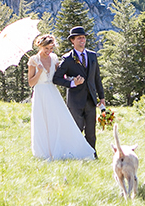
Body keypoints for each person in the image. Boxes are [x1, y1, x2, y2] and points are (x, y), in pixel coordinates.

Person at [27, 33, 95, 161]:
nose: (49, 51)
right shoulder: (33, 61)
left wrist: (73, 80)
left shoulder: (54, 58)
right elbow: (31, 83)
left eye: (51, 49)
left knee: (59, 120)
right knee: (42, 122)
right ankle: (44, 152)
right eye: (46, 48)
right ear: (40, 46)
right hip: (40, 93)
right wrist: (39, 71)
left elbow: (60, 77)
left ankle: (64, 148)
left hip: (53, 93)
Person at [53, 26, 105, 156]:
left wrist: (102, 97)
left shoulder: (92, 56)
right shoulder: (68, 59)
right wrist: (72, 83)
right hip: (75, 101)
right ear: (72, 41)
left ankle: (92, 155)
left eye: (83, 37)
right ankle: (75, 154)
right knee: (77, 130)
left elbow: (97, 78)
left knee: (91, 132)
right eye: (79, 38)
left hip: (91, 100)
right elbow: (56, 78)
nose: (82, 40)